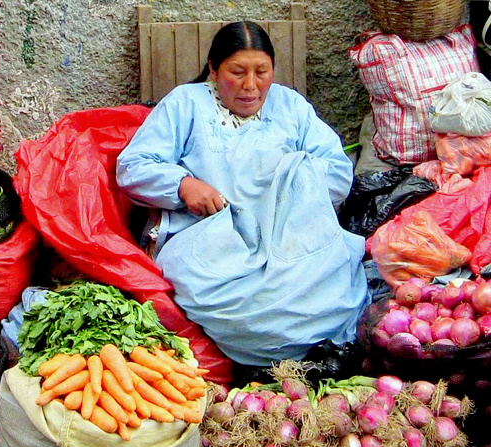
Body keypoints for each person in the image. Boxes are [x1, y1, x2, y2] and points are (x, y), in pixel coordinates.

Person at [116, 22, 368, 369]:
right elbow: (133, 167)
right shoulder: (186, 104)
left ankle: (301, 349)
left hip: (290, 238)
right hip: (209, 241)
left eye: (261, 72)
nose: (251, 86)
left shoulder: (290, 106)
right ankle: (274, 350)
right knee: (240, 312)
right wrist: (183, 185)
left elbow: (339, 173)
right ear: (214, 70)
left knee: (334, 291)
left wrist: (293, 181)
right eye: (237, 72)